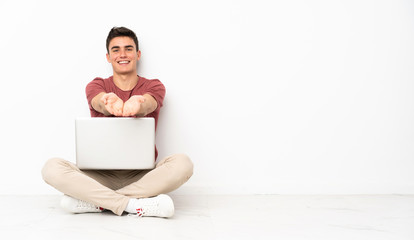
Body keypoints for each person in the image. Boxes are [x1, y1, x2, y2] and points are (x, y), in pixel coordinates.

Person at [41, 27, 194, 218]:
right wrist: (107, 103)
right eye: (116, 50)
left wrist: (139, 104)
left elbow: (149, 102)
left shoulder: (153, 85)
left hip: (142, 175)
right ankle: (133, 204)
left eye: (128, 49)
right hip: (99, 176)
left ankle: (97, 202)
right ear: (108, 57)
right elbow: (98, 101)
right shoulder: (97, 85)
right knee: (51, 168)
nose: (123, 54)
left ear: (138, 54)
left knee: (183, 164)